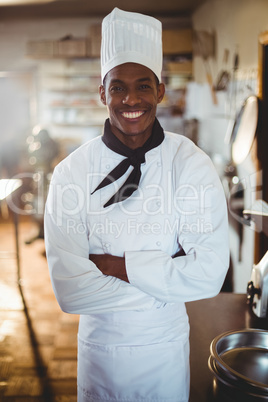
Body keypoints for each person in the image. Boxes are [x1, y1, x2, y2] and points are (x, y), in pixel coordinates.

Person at [44, 7, 229, 402]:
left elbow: (211, 274)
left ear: (160, 91)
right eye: (117, 87)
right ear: (102, 93)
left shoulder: (190, 164)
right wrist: (170, 277)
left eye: (143, 86)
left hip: (165, 350)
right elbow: (71, 292)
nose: (131, 99)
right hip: (100, 355)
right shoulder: (71, 173)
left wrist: (117, 266)